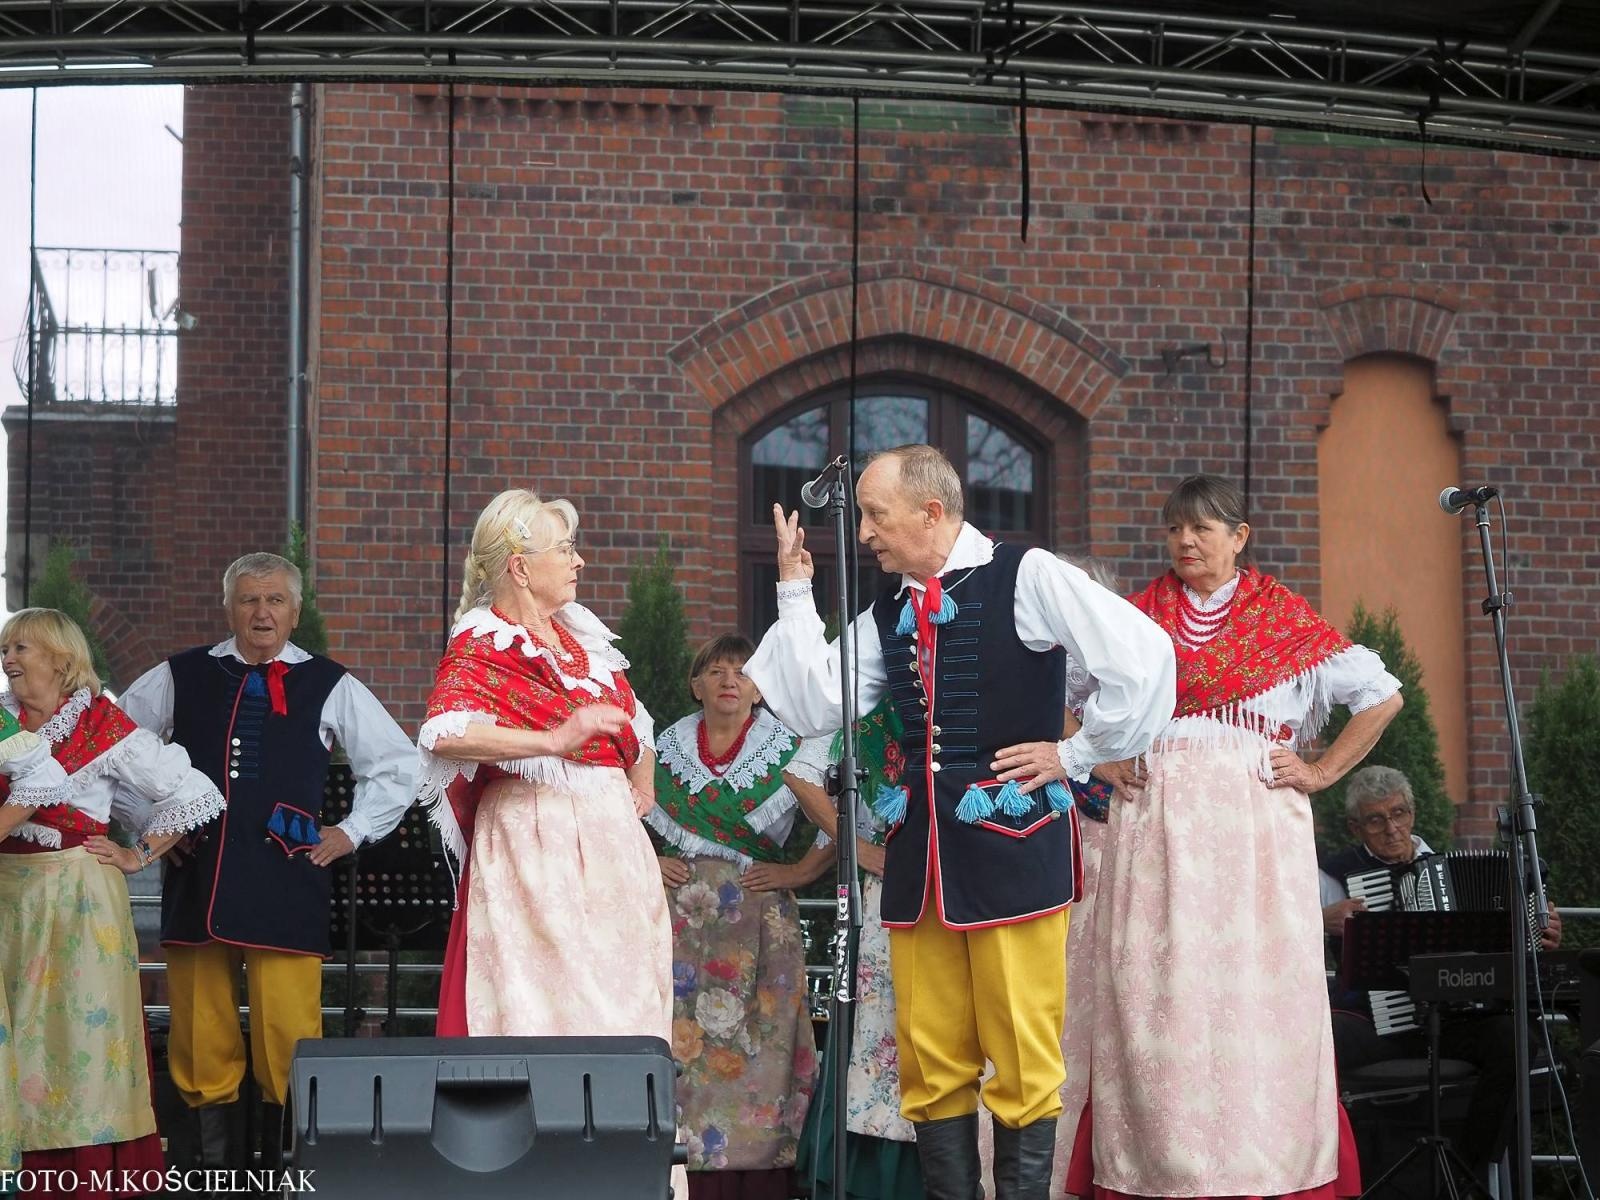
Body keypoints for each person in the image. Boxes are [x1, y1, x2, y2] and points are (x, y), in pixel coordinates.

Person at [746, 443, 1176, 1200]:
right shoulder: (890, 608)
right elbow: (817, 702)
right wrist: (792, 588)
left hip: (1014, 849)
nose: (867, 532)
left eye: (876, 515)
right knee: (930, 1057)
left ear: (931, 511)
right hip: (923, 863)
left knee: (1021, 1053)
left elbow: (1142, 660)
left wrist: (1075, 754)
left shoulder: (1029, 574)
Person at [1067, 473, 1404, 1200]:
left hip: (1255, 836)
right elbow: (1055, 696)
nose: (1186, 542)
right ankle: (1156, 1167)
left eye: (1204, 528)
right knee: (1159, 994)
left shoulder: (1283, 620)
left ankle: (1266, 1167)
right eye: (1175, 529)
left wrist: (1321, 771)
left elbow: (1382, 695)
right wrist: (1100, 755)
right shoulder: (1134, 620)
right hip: (1155, 834)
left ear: (1240, 537)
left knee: (1257, 994)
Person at [119, 552, 416, 1170]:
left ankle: (287, 1173)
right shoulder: (181, 674)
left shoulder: (331, 683)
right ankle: (212, 1173)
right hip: (197, 878)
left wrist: (351, 832)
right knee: (201, 1035)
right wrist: (153, 827)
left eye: (274, 600)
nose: (261, 612)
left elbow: (397, 765)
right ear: (228, 607)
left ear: (295, 611)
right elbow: (115, 746)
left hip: (289, 879)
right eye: (249, 600)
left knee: (289, 1034)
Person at [415, 488, 672, 1047]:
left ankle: (617, 1125)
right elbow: (445, 730)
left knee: (626, 996)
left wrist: (642, 785)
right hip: (536, 841)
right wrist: (553, 740)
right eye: (565, 548)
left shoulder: (585, 639)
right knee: (550, 1001)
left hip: (612, 846)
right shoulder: (486, 638)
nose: (578, 560)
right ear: (521, 569)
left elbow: (638, 722)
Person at [0, 608, 226, 1193]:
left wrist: (138, 853)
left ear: (61, 658)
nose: (8, 658)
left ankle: (82, 1177)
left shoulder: (103, 726)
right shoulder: (6, 724)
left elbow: (193, 790)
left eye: (22, 646)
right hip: (9, 900)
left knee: (80, 1034)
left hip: (77, 898)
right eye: (5, 648)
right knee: (16, 1036)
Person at [646, 634, 829, 1199]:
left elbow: (841, 821)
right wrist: (650, 860)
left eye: (743, 672)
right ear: (695, 684)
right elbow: (614, 814)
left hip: (758, 923)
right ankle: (674, 1168)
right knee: (675, 1042)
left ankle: (761, 1173)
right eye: (716, 670)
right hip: (679, 924)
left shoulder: (791, 749)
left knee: (764, 1044)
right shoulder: (661, 748)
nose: (730, 680)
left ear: (759, 687)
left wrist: (798, 873)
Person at [1318, 764, 1562, 1181]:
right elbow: (1276, 932)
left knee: (1516, 1041)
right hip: (1375, 1024)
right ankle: (1336, 1176)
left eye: (1398, 813)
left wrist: (1539, 929)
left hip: (1452, 1020)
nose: (1391, 828)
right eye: (1376, 820)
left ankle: (1467, 1168)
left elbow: (1506, 939)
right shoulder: (1330, 875)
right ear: (1354, 827)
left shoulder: (1448, 864)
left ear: (1412, 813)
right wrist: (1319, 919)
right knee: (1317, 1044)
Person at [790, 699, 925, 1200]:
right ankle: (883, 1179)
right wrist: (859, 846)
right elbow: (802, 772)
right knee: (887, 1028)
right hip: (895, 878)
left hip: (970, 875)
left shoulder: (972, 672)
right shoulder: (871, 681)